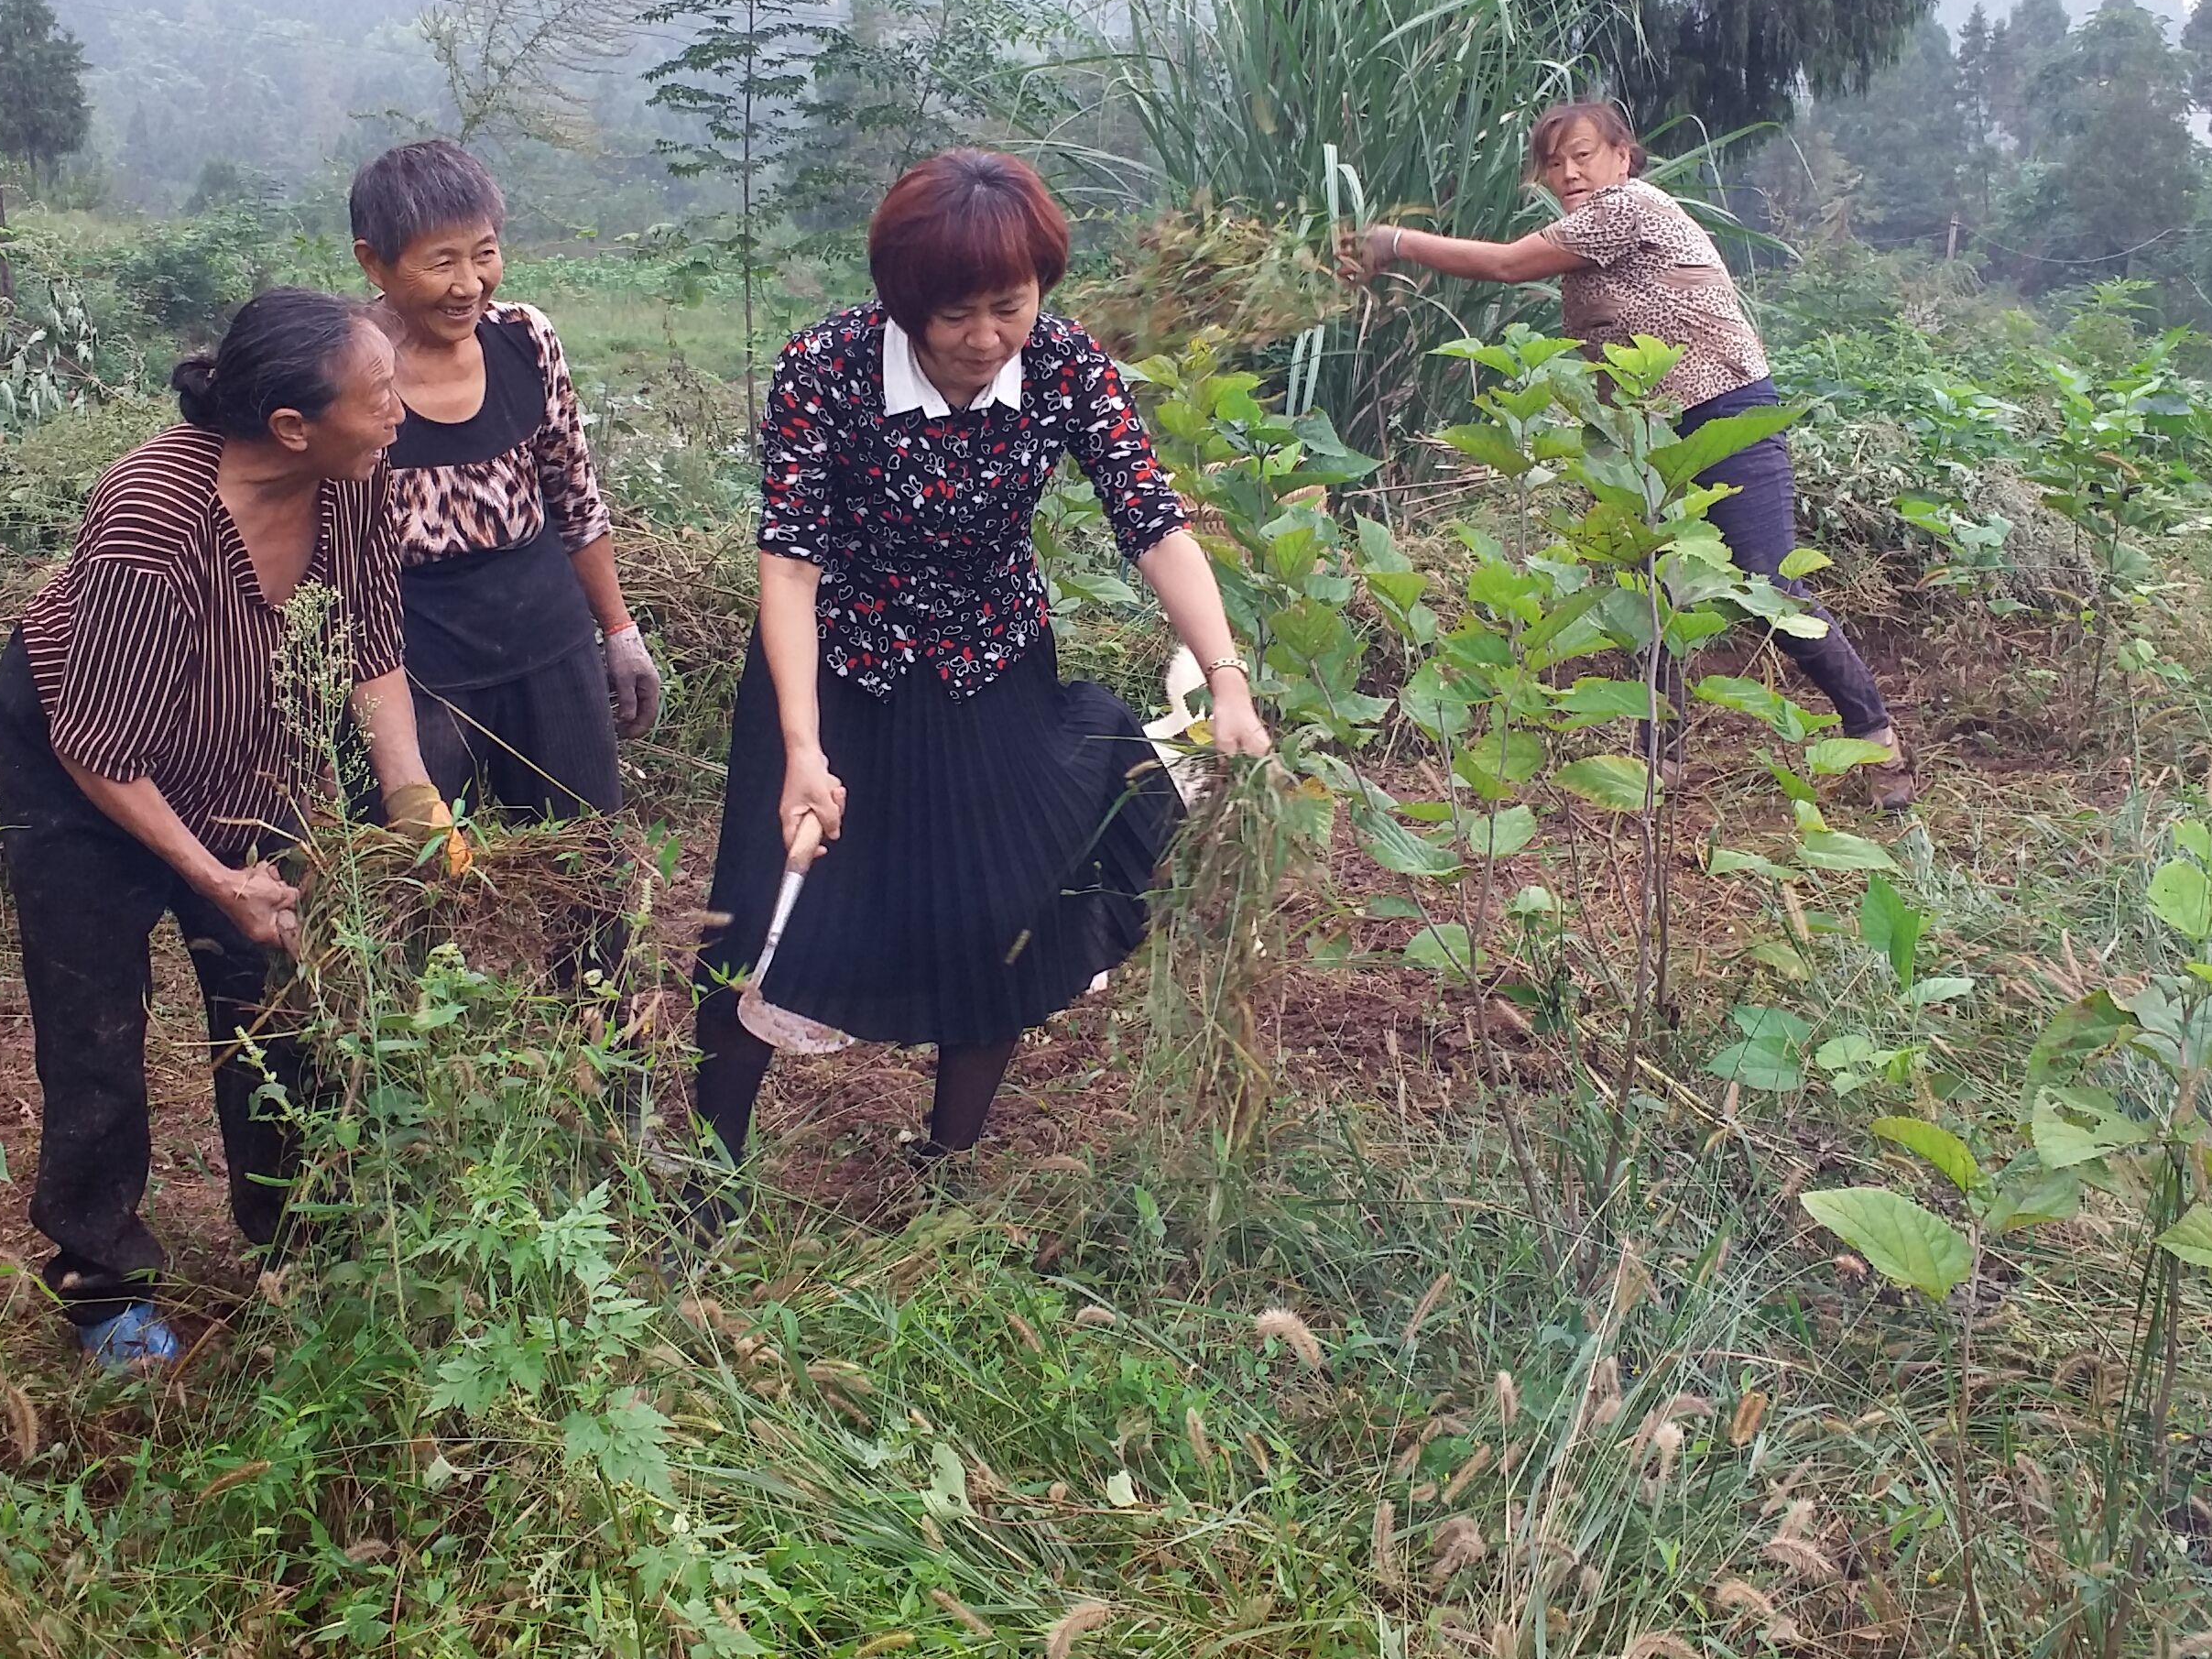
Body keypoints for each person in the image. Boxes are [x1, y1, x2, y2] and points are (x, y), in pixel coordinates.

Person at [686, 148, 1272, 1195]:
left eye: (1010, 305)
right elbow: (789, 563)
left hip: (992, 672)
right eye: (955, 315)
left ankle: (944, 1169)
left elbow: (1151, 521)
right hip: (838, 676)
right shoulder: (824, 368)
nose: (986, 337)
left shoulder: (1061, 364)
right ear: (906, 303)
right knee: (769, 922)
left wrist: (1226, 675)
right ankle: (704, 1174)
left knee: (1004, 916)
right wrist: (802, 747)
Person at [0, 287, 455, 1372]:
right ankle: (103, 1283)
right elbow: (98, 745)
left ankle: (300, 1240)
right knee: (95, 1022)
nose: (400, 412)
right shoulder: (155, 520)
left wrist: (410, 803)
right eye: (379, 396)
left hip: (243, 745)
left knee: (277, 1002)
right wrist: (212, 876)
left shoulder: (353, 483)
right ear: (292, 425)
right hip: (85, 771)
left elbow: (371, 650)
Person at [1349, 99, 1921, 808]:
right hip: (1649, 433)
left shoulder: (1631, 207)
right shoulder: (1590, 230)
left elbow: (1504, 266)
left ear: (1623, 156)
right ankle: (1662, 764)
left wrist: (1394, 242)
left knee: (1770, 588)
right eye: (1554, 163)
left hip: (1727, 413)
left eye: (1582, 154)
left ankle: (1877, 741)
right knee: (1650, 594)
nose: (1568, 172)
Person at [351, 140, 658, 828]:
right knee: (409, 888)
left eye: (483, 253)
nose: (469, 284)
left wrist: (618, 630)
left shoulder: (525, 338)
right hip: (413, 664)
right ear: (373, 262)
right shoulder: (346, 371)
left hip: (547, 643)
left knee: (586, 868)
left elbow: (575, 500)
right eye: (441, 262)